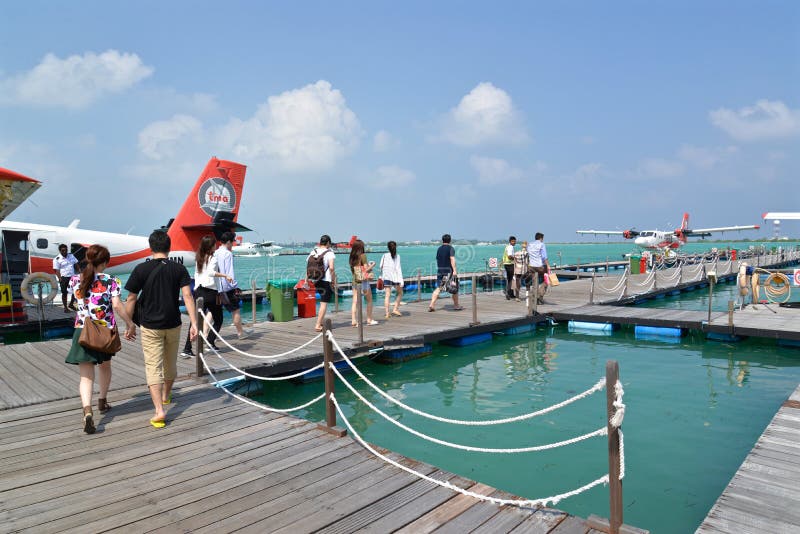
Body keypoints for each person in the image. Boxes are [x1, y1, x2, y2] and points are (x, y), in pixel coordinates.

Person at [124, 230, 198, 429]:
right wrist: (195, 323)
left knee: (153, 367)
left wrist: (129, 324)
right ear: (169, 247)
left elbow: (131, 299)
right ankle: (166, 395)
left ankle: (159, 411)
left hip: (150, 326)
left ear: (150, 247)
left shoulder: (140, 269)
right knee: (170, 363)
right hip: (174, 323)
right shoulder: (179, 269)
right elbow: (188, 297)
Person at [65, 244, 135, 434]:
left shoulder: (74, 280)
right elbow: (118, 306)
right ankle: (102, 402)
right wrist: (130, 323)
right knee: (105, 367)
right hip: (105, 331)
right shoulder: (111, 281)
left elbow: (77, 300)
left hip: (82, 331)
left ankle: (87, 411)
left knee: (86, 376)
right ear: (103, 262)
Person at [180, 235, 234, 358]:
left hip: (198, 291)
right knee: (219, 319)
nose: (216, 246)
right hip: (210, 293)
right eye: (214, 244)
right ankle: (210, 342)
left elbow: (198, 274)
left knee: (196, 321)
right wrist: (225, 276)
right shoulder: (212, 258)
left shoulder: (199, 257)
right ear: (210, 246)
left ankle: (187, 348)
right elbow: (211, 273)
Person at [215, 232, 253, 340]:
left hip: (217, 287)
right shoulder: (228, 254)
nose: (233, 244)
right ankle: (240, 333)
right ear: (228, 242)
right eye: (233, 241)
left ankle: (205, 333)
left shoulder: (215, 253)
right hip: (227, 288)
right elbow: (229, 272)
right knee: (235, 311)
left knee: (212, 313)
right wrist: (234, 285)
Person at [429, 233, 462, 312]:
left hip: (440, 271)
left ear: (442, 240)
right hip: (448, 272)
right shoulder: (451, 248)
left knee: (439, 288)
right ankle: (456, 306)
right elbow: (452, 259)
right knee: (454, 288)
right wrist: (454, 270)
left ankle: (432, 304)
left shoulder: (439, 249)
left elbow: (437, 259)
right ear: (450, 240)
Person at [311, 235, 336, 332]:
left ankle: (320, 322)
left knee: (322, 301)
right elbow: (332, 267)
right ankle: (317, 325)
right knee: (323, 303)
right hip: (326, 280)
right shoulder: (329, 253)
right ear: (328, 243)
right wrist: (333, 280)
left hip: (316, 280)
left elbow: (309, 265)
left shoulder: (314, 251)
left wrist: (306, 280)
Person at [350, 239, 378, 326]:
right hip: (364, 281)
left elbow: (355, 270)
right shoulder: (363, 256)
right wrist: (373, 265)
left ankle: (354, 320)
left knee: (355, 301)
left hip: (355, 280)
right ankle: (369, 319)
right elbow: (366, 269)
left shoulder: (351, 257)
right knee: (369, 300)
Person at [380, 240, 404, 319]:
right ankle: (395, 309)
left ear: (388, 247)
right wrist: (401, 280)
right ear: (395, 247)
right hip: (395, 278)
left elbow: (381, 266)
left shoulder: (384, 255)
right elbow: (398, 269)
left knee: (387, 295)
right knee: (400, 293)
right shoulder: (397, 256)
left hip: (386, 277)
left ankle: (387, 313)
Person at [53, 244, 79, 312]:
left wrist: (80, 273)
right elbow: (56, 270)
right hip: (64, 277)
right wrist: (60, 279)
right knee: (64, 293)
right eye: (63, 250)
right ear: (60, 251)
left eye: (66, 250)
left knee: (75, 291)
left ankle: (71, 304)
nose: (65, 252)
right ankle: (65, 308)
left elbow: (76, 264)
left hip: (72, 277)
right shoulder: (57, 259)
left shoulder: (71, 256)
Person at [527, 232, 551, 304]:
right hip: (540, 266)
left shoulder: (530, 245)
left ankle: (535, 297)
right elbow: (544, 257)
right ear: (541, 238)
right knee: (547, 279)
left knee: (535, 282)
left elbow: (528, 255)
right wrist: (548, 265)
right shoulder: (541, 244)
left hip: (531, 266)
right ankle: (540, 295)